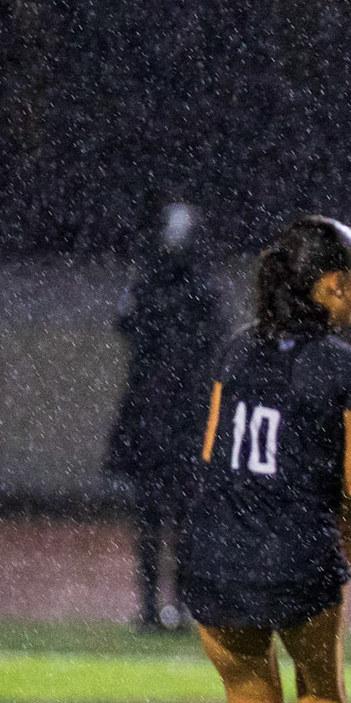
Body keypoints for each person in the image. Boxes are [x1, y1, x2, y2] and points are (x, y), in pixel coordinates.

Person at [177, 216, 351, 703]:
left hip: (213, 552)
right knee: (322, 695)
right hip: (296, 555)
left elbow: (213, 454)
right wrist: (344, 534)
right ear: (332, 284)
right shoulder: (350, 369)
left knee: (251, 699)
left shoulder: (234, 352)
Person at [108, 203, 221, 631]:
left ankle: (160, 606)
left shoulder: (157, 286)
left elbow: (127, 325)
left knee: (158, 515)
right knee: (173, 515)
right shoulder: (196, 289)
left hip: (160, 414)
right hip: (174, 415)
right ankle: (170, 605)